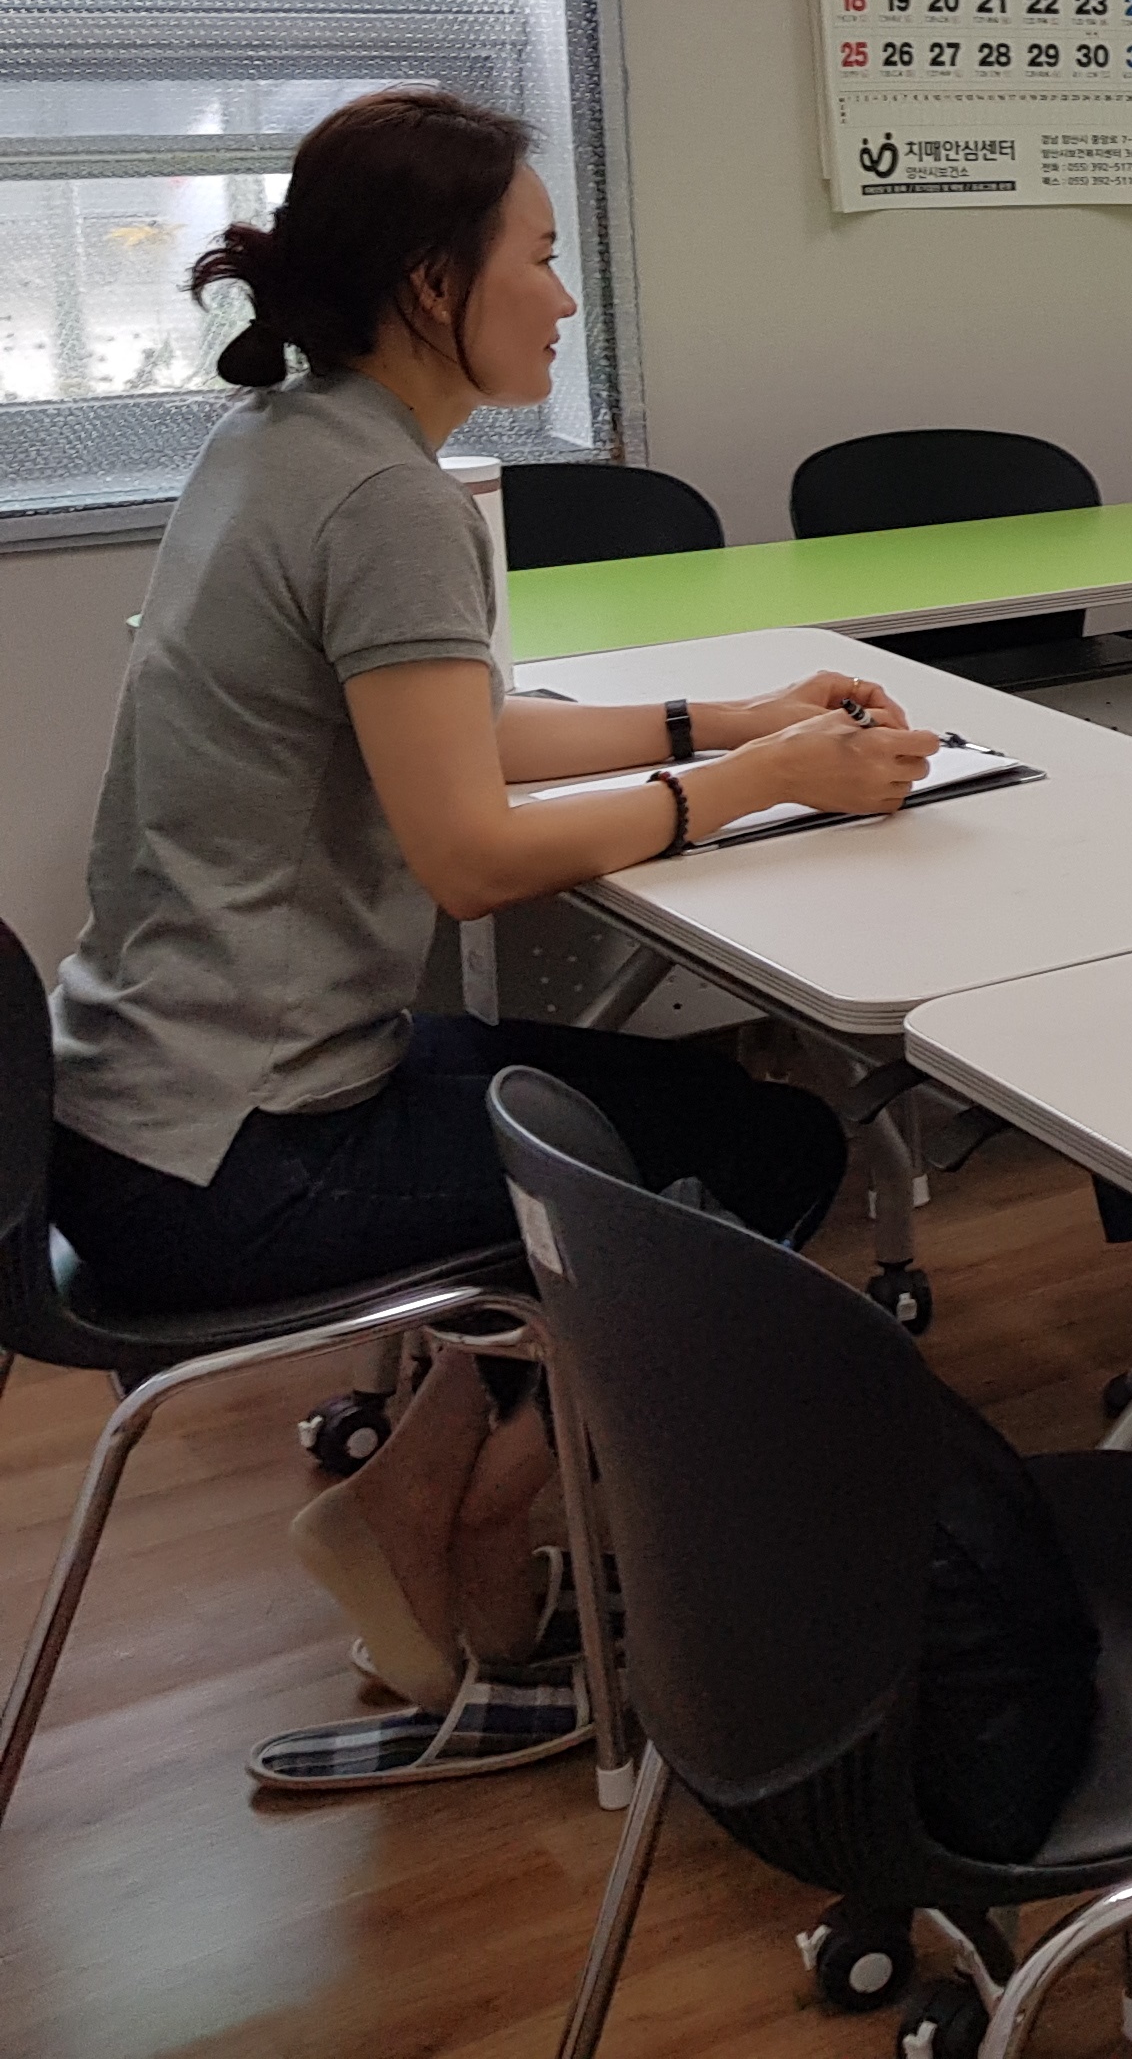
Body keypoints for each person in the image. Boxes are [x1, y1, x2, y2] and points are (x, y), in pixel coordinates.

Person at [46, 88, 932, 1789]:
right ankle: (459, 1520)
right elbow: (465, 852)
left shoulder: (287, 442)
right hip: (240, 1160)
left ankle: (408, 1511)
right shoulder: (387, 501)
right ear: (435, 283)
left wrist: (730, 720)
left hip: (150, 1112)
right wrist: (756, 781)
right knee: (756, 1155)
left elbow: (455, 727)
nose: (566, 295)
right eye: (540, 254)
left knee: (660, 1120)